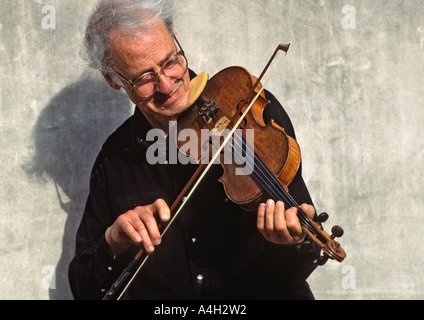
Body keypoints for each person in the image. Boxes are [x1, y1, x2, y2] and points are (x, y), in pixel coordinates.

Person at [68, 0, 321, 300]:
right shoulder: (115, 159)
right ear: (113, 80)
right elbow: (86, 291)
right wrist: (114, 241)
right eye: (144, 78)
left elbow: (304, 259)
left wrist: (290, 244)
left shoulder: (249, 109)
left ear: (175, 36)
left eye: (170, 61)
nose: (166, 84)